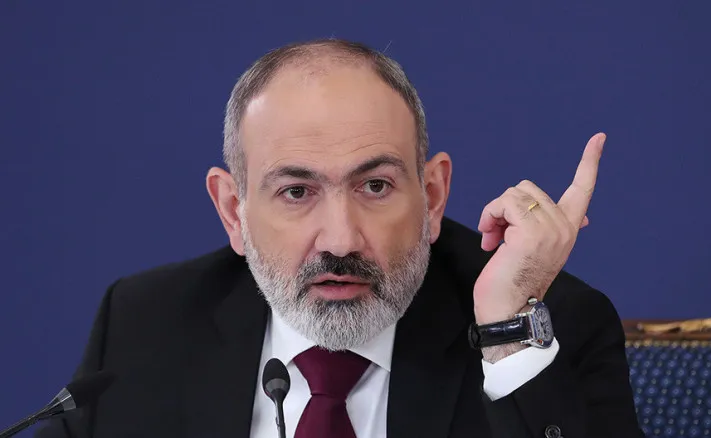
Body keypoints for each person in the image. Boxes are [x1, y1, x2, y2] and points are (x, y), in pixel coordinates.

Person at [36, 38, 644, 438]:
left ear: (433, 196)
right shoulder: (144, 325)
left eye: (375, 186)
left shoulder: (548, 323)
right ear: (233, 211)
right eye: (296, 192)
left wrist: (507, 337)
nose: (341, 240)